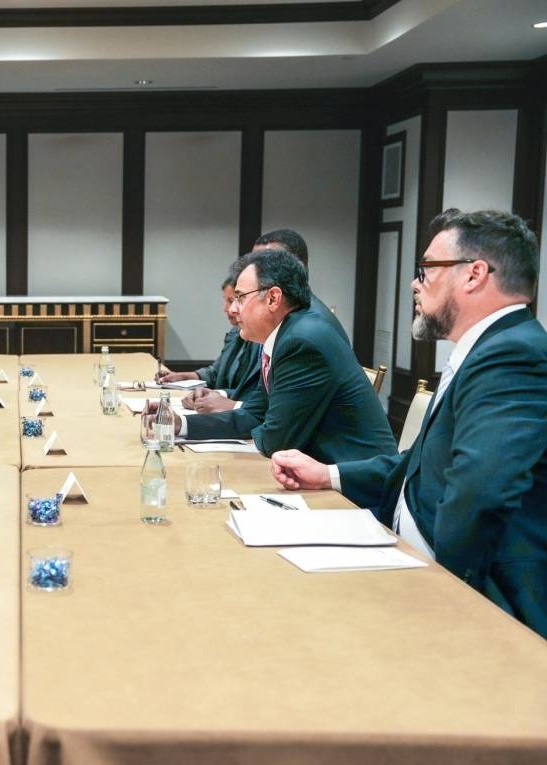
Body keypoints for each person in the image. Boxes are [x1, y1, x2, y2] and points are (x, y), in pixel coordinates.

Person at [272, 209, 547, 637]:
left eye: (428, 268)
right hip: (399, 549)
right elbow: (418, 465)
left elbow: (479, 494)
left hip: (462, 597)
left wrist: (437, 593)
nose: (417, 283)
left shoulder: (513, 355)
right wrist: (328, 474)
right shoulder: (487, 348)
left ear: (474, 274)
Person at [157, 248, 396, 463]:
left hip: (352, 487)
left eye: (240, 297)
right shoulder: (283, 336)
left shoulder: (301, 342)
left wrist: (265, 425)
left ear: (273, 298)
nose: (233, 308)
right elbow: (254, 414)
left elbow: (276, 440)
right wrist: (180, 423)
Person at [158, 275, 261, 412]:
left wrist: (218, 395)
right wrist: (183, 376)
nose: (227, 309)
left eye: (232, 301)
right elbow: (215, 372)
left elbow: (252, 395)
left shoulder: (261, 340)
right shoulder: (235, 333)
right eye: (227, 301)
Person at [252, 228, 350, 343]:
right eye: (254, 266)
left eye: (267, 265)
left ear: (298, 268)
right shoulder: (288, 313)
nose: (255, 273)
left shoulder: (306, 329)